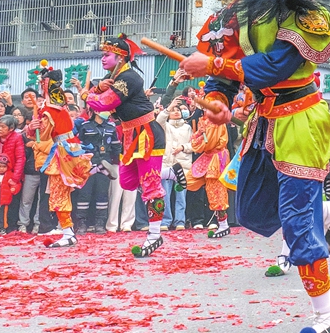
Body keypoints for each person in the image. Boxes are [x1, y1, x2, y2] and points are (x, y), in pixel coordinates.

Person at [178, 0, 330, 333]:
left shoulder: (305, 9)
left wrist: (213, 66)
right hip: (262, 122)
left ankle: (325, 317)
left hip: (301, 117)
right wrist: (217, 102)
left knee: (295, 223)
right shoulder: (234, 13)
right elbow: (224, 72)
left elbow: (274, 67)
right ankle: (326, 206)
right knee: (253, 211)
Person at [84, 34, 168, 256]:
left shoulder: (129, 78)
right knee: (129, 182)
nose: (102, 58)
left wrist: (89, 92)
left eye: (107, 55)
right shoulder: (113, 78)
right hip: (129, 135)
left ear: (120, 57)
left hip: (147, 134)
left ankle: (154, 234)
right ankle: (169, 172)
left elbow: (103, 104)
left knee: (150, 186)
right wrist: (98, 87)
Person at [31, 65, 93, 247]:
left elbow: (43, 136)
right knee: (62, 193)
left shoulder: (48, 111)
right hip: (70, 149)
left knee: (58, 194)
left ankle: (68, 233)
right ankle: (68, 232)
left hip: (60, 153)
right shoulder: (61, 108)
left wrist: (34, 130)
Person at [74, 109, 121, 234]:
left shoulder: (111, 127)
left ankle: (100, 224)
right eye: (103, 109)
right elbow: (78, 145)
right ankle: (81, 223)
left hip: (105, 165)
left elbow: (116, 147)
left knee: (102, 194)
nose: (107, 112)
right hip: (87, 165)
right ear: (96, 110)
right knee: (84, 194)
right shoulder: (85, 126)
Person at [188, 108, 231, 237]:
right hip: (207, 156)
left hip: (216, 158)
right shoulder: (204, 121)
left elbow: (207, 144)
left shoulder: (216, 122)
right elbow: (199, 143)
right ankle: (170, 174)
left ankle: (223, 225)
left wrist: (199, 137)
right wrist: (199, 134)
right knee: (189, 180)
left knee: (216, 191)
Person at [158, 100, 192, 231]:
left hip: (183, 165)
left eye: (178, 110)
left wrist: (183, 147)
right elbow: (159, 120)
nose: (176, 112)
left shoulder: (187, 127)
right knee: (165, 195)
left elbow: (193, 145)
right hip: (167, 164)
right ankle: (165, 221)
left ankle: (180, 221)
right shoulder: (165, 126)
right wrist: (168, 107)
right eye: (173, 110)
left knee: (181, 196)